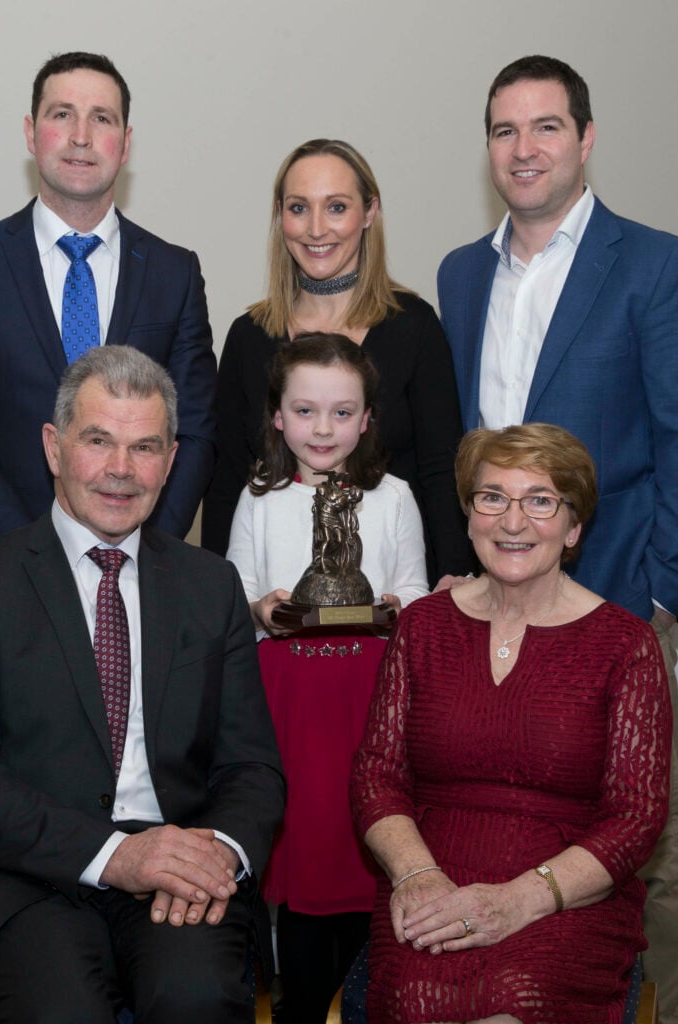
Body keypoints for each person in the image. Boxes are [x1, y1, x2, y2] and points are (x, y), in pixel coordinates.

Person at [436, 55, 678, 1023]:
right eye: (503, 130)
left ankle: (675, 1007)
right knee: (505, 816)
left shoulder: (656, 264)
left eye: (544, 127)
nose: (523, 149)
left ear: (585, 137)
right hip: (495, 600)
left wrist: (656, 595)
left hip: (612, 596)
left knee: (645, 835)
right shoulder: (459, 273)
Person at [0, 347, 284, 1023]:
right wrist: (117, 855)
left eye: (145, 447)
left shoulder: (210, 585)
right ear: (54, 448)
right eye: (98, 441)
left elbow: (252, 766)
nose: (121, 470)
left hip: (176, 863)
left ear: (170, 461)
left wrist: (217, 859)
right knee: (63, 1011)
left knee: (195, 998)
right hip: (21, 877)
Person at [351, 423, 672, 1024]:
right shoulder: (421, 627)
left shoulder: (625, 646)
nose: (513, 521)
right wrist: (417, 876)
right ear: (470, 514)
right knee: (422, 1000)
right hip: (431, 878)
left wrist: (518, 901)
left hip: (567, 895)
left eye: (540, 500)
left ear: (574, 527)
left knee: (515, 1001)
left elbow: (635, 818)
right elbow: (377, 775)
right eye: (492, 497)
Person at [0, 51, 216, 544]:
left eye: (102, 118)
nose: (81, 136)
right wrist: (34, 560)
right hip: (8, 569)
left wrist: (148, 552)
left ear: (125, 144)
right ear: (32, 134)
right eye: (62, 115)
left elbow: (198, 431)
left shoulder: (175, 272)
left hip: (141, 571)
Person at [226, 334, 429, 1023]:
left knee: (361, 842)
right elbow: (236, 591)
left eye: (342, 413)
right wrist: (261, 607)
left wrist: (399, 608)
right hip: (289, 706)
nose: (323, 429)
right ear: (277, 417)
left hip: (367, 704)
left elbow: (414, 591)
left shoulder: (394, 497)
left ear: (368, 419)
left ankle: (368, 994)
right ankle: (299, 1001)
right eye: (306, 411)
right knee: (302, 847)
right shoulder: (258, 498)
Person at [202, 138, 469, 586]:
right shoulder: (249, 336)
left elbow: (442, 467)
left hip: (395, 594)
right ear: (280, 216)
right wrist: (216, 600)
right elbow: (227, 476)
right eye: (299, 208)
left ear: (369, 213)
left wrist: (454, 575)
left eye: (337, 207)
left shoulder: (414, 326)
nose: (316, 229)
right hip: (272, 602)